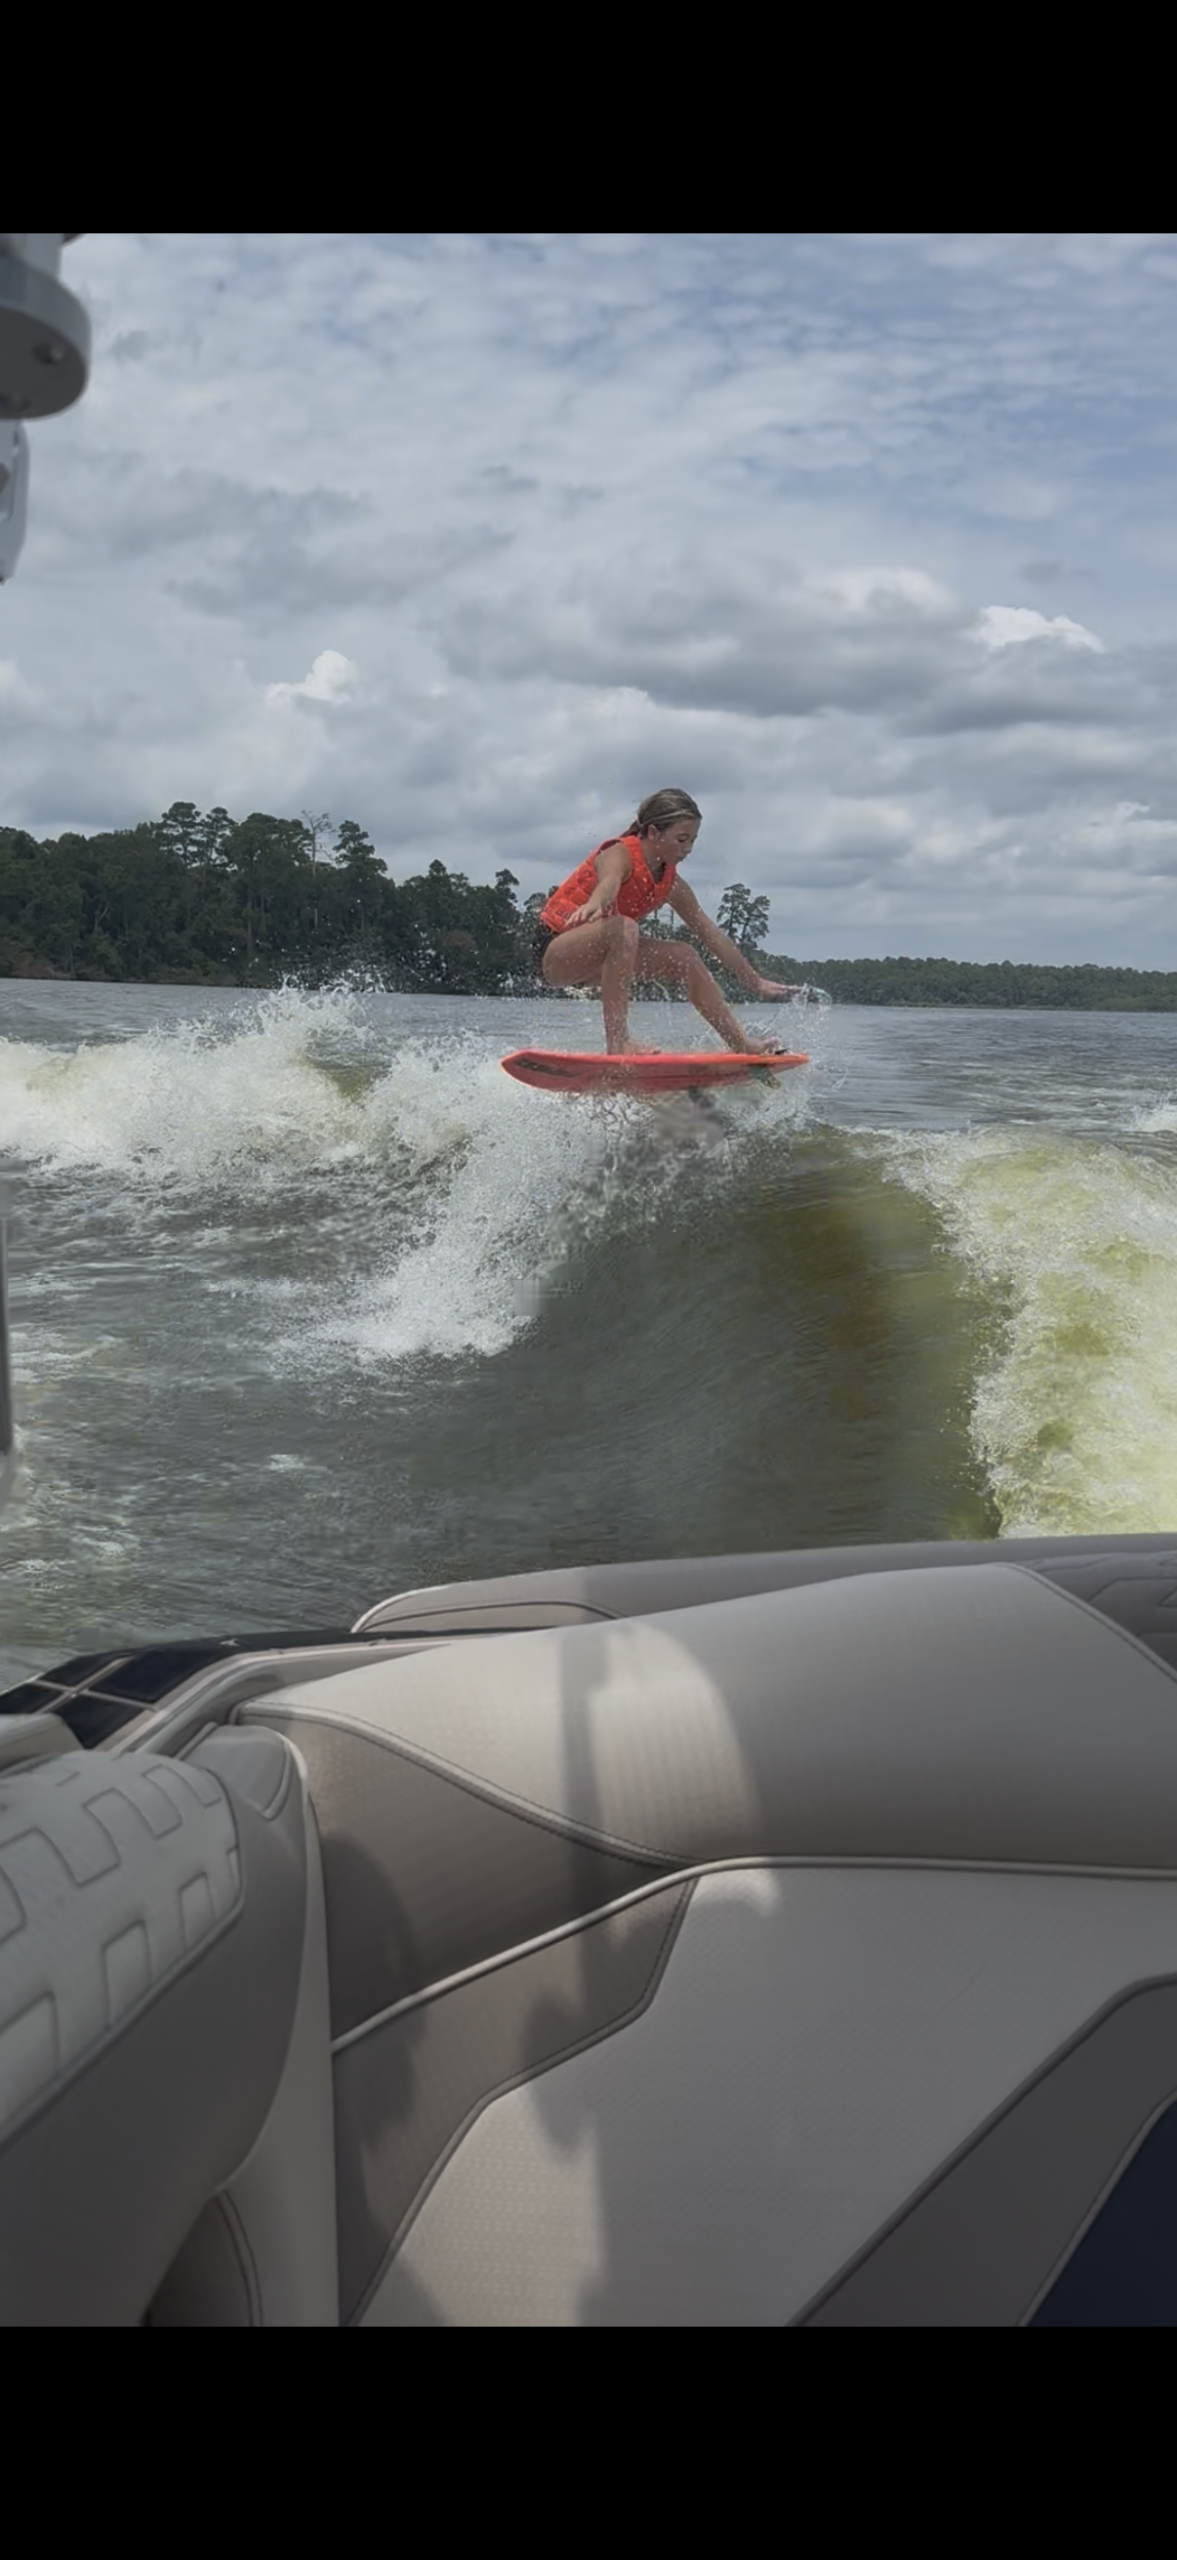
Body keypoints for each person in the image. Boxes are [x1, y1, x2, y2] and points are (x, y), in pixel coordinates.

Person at [532, 788, 804, 1055]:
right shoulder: (619, 853)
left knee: (685, 957)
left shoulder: (672, 884)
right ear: (652, 833)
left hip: (596, 964)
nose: (688, 849)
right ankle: (618, 1043)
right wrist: (595, 903)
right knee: (625, 927)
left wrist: (754, 981)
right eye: (681, 839)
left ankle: (741, 1045)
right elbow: (609, 882)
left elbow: (710, 933)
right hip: (555, 954)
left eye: (693, 841)